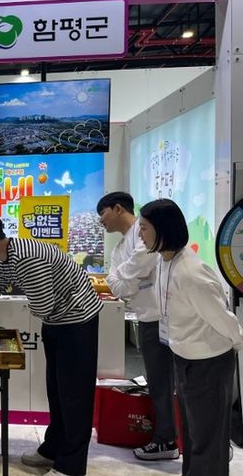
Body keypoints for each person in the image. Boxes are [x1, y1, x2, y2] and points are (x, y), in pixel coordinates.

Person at [0, 212, 102, 476]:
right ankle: (53, 448)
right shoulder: (6, 257)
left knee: (74, 395)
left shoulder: (27, 258)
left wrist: (25, 303)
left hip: (76, 321)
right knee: (57, 391)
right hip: (56, 321)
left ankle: (71, 466)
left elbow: (43, 306)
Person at [139, 198, 243, 476]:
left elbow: (223, 319)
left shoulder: (191, 273)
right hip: (185, 356)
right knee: (193, 434)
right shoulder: (165, 261)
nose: (140, 235)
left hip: (208, 361)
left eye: (144, 228)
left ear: (163, 229)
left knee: (207, 439)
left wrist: (236, 342)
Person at [97, 192, 178, 461]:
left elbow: (143, 261)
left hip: (166, 316)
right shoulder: (119, 249)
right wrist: (129, 276)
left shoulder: (144, 235)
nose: (101, 221)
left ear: (118, 208)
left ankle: (170, 439)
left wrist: (127, 276)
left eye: (103, 213)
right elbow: (119, 287)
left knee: (176, 382)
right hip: (147, 319)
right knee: (158, 381)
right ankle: (167, 437)